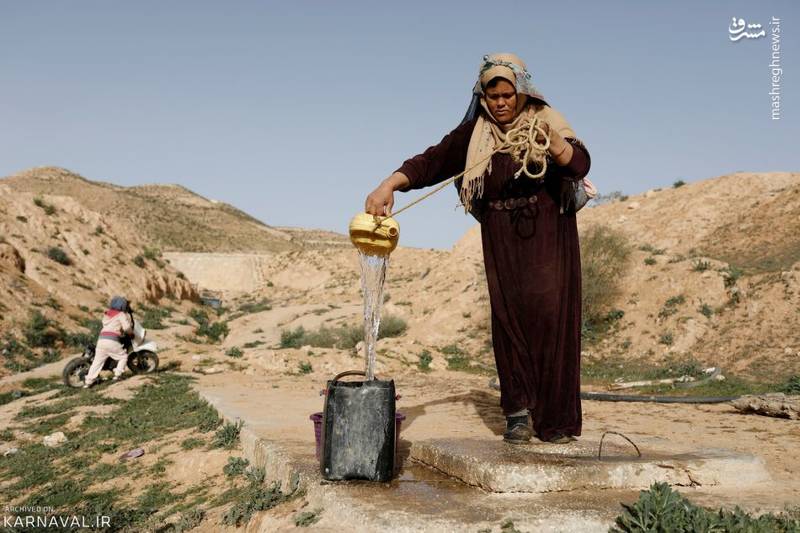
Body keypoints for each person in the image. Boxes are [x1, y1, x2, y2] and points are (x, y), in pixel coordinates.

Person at [364, 53, 590, 444]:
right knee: (508, 321)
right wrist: (388, 184)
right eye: (493, 97)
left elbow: (580, 165)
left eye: (507, 95)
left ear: (522, 92)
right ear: (482, 97)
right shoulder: (475, 133)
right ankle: (518, 412)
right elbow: (431, 161)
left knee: (551, 318)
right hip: (500, 233)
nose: (501, 103)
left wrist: (554, 145)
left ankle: (556, 420)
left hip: (549, 232)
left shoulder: (546, 121)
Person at [84, 296, 134, 388]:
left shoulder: (107, 314)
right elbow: (127, 327)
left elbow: (109, 325)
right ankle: (118, 375)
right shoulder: (121, 314)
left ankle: (88, 382)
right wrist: (130, 333)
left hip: (101, 340)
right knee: (123, 357)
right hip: (112, 340)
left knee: (97, 362)